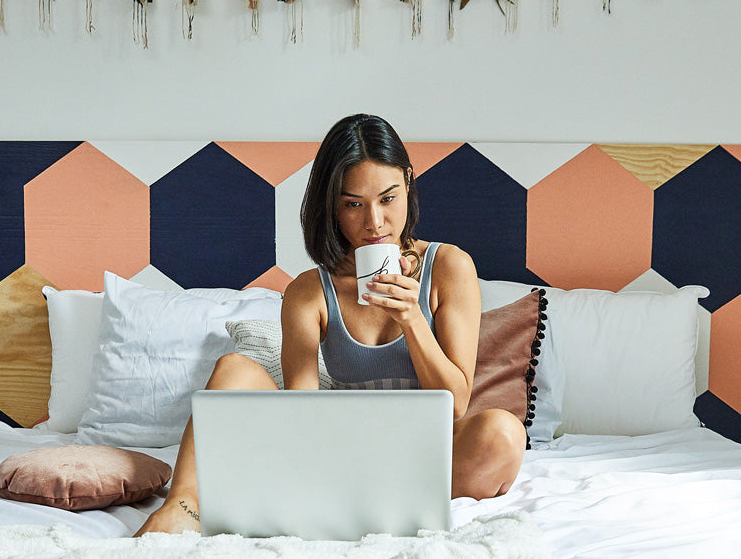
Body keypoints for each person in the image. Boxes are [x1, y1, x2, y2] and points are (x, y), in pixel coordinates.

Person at [135, 113, 527, 536]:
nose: (374, 223)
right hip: (332, 460)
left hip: (421, 459)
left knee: (502, 434)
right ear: (332, 206)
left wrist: (412, 319)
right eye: (353, 204)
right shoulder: (309, 292)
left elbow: (456, 404)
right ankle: (183, 505)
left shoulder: (450, 267)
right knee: (233, 369)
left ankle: (355, 504)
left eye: (388, 199)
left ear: (409, 184)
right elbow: (302, 418)